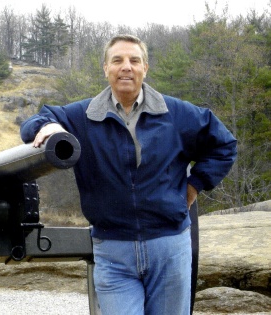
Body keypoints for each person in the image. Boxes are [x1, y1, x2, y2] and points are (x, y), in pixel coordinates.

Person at [20, 34, 237, 314]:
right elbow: (31, 125)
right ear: (106, 68)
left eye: (134, 60)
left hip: (169, 247)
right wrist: (48, 126)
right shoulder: (82, 116)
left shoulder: (177, 113)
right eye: (118, 60)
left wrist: (195, 184)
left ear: (145, 68)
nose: (126, 67)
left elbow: (224, 144)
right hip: (113, 252)